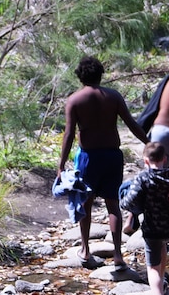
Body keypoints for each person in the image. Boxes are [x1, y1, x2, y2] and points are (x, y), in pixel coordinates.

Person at [57, 55, 149, 270]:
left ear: (80, 76)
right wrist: (148, 142)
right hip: (112, 155)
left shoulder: (75, 100)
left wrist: (61, 165)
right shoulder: (113, 96)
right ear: (101, 75)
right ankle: (117, 254)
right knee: (113, 205)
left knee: (86, 204)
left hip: (88, 157)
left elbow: (69, 134)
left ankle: (86, 249)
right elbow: (131, 124)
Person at [119, 143, 169, 295]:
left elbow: (128, 202)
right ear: (164, 159)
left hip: (152, 226)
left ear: (145, 160)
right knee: (162, 247)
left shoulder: (143, 178)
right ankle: (161, 283)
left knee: (151, 267)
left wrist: (127, 204)